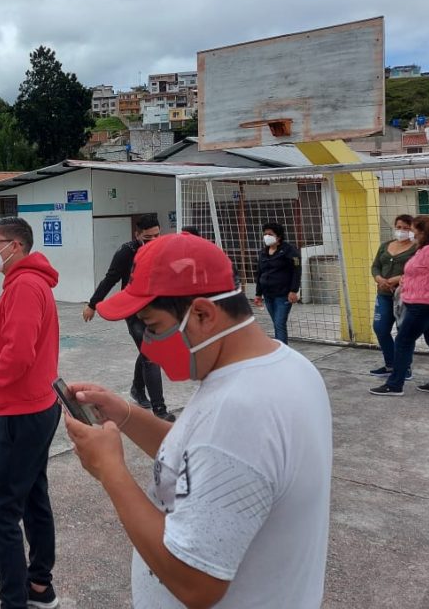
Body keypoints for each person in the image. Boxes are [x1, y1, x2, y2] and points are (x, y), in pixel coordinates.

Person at [66, 232, 332, 608]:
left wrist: (110, 470)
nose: (148, 346)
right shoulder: (284, 365)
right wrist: (125, 415)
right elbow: (203, 455)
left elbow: (195, 583)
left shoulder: (240, 412)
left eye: (153, 327)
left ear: (203, 314)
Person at [0, 217, 62, 609]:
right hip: (35, 406)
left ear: (15, 246)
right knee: (32, 496)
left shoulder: (26, 285)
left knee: (1, 512)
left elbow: (17, 353)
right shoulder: (24, 281)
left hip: (21, 411)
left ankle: (15, 600)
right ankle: (39, 586)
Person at [83, 214, 173, 421]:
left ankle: (137, 389)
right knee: (151, 355)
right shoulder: (127, 252)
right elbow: (111, 279)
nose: (153, 240)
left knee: (148, 350)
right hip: (133, 309)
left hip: (156, 308)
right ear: (137, 234)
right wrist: (92, 304)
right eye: (148, 237)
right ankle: (160, 410)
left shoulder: (163, 249)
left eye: (157, 235)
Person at [371, 214, 429, 397]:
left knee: (403, 341)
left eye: (412, 229)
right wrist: (406, 281)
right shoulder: (423, 249)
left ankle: (394, 385)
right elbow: (421, 273)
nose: (409, 232)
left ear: (423, 231)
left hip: (423, 305)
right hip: (424, 303)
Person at [369, 214, 418, 379]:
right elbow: (375, 266)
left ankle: (404, 368)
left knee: (403, 331)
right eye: (399, 227)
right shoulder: (385, 245)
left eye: (406, 228)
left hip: (405, 296)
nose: (401, 231)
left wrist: (395, 280)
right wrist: (379, 279)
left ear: (412, 230)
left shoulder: (416, 248)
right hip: (383, 294)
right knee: (380, 328)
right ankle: (390, 365)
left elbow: (416, 271)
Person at [253, 222, 300, 344]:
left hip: (283, 294)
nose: (266, 237)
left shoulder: (289, 251)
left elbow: (296, 271)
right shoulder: (263, 252)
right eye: (265, 234)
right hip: (268, 295)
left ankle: (282, 350)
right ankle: (281, 347)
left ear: (278, 237)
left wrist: (293, 290)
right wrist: (258, 294)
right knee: (276, 323)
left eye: (270, 234)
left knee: (279, 323)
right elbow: (260, 273)